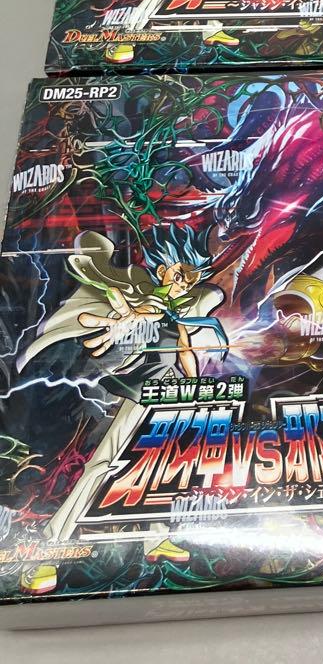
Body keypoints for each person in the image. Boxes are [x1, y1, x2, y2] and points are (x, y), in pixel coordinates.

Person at [17, 226, 226, 595]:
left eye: (192, 276)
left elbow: (184, 348)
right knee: (106, 464)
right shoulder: (152, 299)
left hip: (171, 394)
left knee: (161, 466)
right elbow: (142, 312)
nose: (186, 282)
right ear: (163, 271)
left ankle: (155, 538)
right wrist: (125, 320)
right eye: (181, 273)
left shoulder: (178, 308)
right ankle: (49, 547)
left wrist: (194, 386)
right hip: (143, 393)